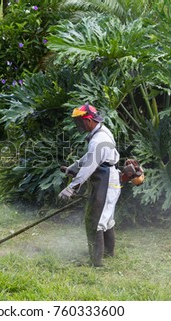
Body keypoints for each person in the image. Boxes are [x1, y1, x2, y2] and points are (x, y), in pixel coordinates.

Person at [58, 103, 121, 267]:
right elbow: (89, 158)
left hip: (106, 180)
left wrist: (71, 188)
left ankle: (96, 263)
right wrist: (73, 167)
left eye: (81, 121)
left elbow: (89, 168)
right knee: (106, 219)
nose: (79, 125)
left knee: (95, 220)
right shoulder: (101, 132)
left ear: (89, 120)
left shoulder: (98, 140)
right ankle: (108, 253)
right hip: (107, 178)